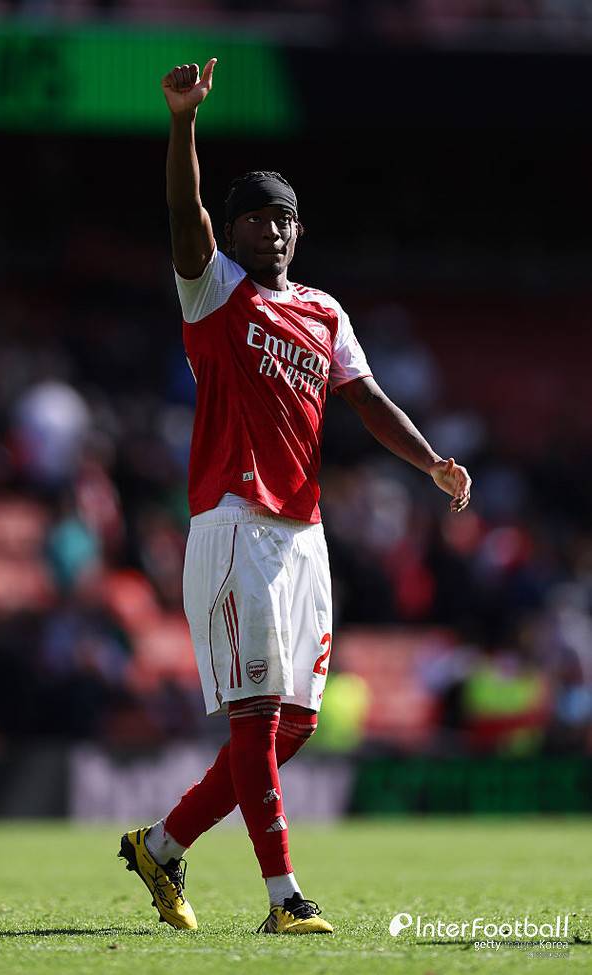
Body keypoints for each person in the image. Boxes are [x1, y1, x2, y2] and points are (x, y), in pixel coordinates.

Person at [118, 57, 472, 935]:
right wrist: (182, 123)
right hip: (234, 523)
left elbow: (368, 399)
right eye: (255, 217)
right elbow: (183, 215)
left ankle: (161, 844)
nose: (271, 231)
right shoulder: (214, 291)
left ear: (299, 230)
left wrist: (430, 461)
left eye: (283, 219)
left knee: (298, 724)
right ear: (234, 230)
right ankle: (284, 897)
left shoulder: (324, 311)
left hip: (302, 532)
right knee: (255, 715)